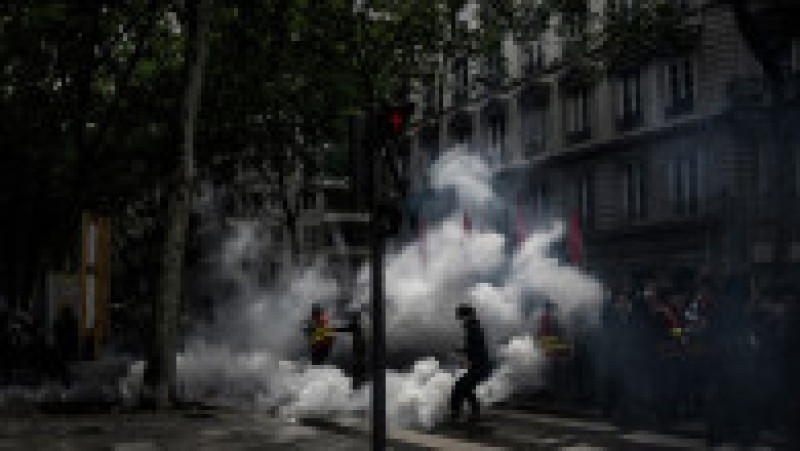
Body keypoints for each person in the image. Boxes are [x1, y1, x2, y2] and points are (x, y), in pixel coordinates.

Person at [449, 304, 490, 423]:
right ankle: (473, 413)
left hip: (481, 366)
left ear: (467, 316)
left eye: (461, 317)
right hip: (479, 365)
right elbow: (474, 348)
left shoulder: (473, 328)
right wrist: (463, 353)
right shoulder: (473, 326)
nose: (461, 321)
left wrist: (461, 351)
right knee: (465, 388)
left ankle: (456, 414)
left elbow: (475, 348)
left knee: (459, 387)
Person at [336, 311, 366, 389]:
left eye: (353, 319)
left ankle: (358, 384)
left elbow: (345, 329)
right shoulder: (359, 326)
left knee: (357, 367)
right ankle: (358, 383)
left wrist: (333, 329)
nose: (351, 320)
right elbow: (346, 329)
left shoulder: (356, 326)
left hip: (359, 350)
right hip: (359, 350)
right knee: (358, 367)